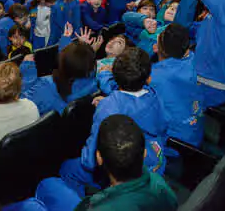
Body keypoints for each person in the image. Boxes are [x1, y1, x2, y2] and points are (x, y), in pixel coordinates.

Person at [5, 115, 177, 211]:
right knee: (50, 183)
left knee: (33, 202)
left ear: (99, 158)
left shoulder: (97, 208)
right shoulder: (162, 184)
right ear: (144, 153)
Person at [61, 48, 168, 197]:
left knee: (67, 169)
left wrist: (108, 104)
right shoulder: (154, 95)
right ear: (148, 78)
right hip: (155, 164)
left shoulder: (109, 108)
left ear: (115, 77)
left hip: (125, 179)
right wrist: (110, 100)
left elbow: (89, 161)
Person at [20, 23, 98, 116]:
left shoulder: (46, 87)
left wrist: (28, 69)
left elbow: (23, 102)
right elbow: (73, 63)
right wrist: (84, 51)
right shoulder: (94, 81)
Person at [151, 24, 204, 151]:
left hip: (171, 143)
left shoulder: (154, 76)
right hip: (195, 134)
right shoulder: (195, 59)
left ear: (159, 48)